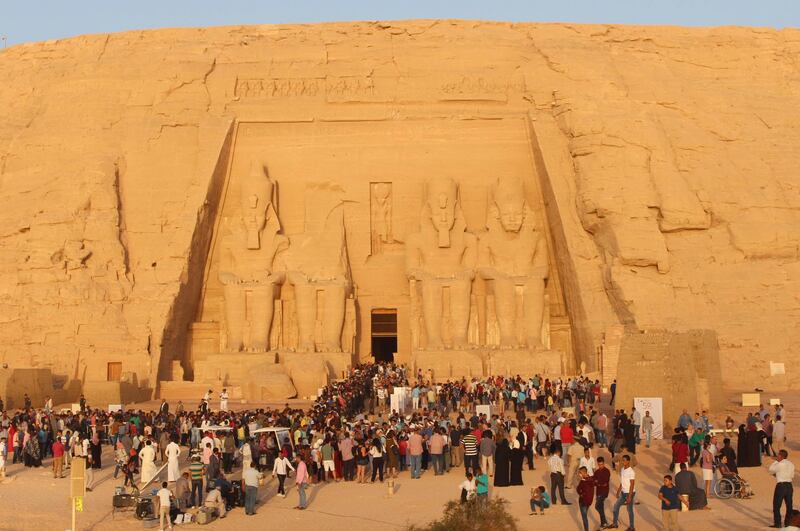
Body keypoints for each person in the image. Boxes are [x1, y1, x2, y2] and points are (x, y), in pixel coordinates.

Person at [769, 449, 795, 528]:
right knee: (789, 505)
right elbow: (792, 476)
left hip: (781, 486)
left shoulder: (779, 464)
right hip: (789, 486)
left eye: (778, 455)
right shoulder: (791, 464)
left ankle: (778, 523)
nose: (777, 456)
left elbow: (770, 470)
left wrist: (776, 461)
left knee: (776, 505)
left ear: (781, 456)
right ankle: (788, 523)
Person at [610, 454, 635, 530]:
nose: (622, 461)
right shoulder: (622, 469)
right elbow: (622, 482)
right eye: (622, 460)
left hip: (629, 493)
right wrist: (618, 491)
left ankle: (632, 527)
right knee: (615, 507)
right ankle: (615, 524)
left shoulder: (631, 471)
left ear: (628, 461)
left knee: (629, 510)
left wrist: (630, 497)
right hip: (623, 493)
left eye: (624, 460)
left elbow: (632, 484)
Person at [576, 466, 595, 531]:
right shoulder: (586, 480)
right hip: (587, 501)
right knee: (585, 517)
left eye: (580, 473)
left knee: (584, 518)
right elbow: (578, 489)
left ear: (584, 473)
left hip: (584, 502)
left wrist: (581, 493)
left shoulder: (586, 480)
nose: (579, 474)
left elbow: (578, 489)